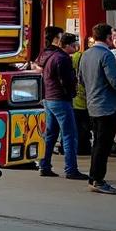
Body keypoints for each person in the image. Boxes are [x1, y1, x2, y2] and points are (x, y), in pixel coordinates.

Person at [78, 22, 116, 194]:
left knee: (98, 143)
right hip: (107, 105)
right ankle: (98, 179)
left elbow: (81, 79)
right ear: (108, 37)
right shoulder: (106, 55)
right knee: (104, 145)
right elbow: (115, 79)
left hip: (93, 103)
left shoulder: (86, 54)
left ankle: (94, 177)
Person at [36, 27, 85, 180]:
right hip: (61, 99)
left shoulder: (46, 55)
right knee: (70, 134)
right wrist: (71, 93)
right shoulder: (62, 58)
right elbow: (67, 81)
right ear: (56, 39)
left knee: (50, 134)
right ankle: (71, 169)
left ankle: (44, 165)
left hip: (49, 98)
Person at [70, 39, 93, 155]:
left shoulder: (72, 58)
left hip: (75, 100)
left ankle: (79, 147)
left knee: (77, 126)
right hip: (85, 99)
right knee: (84, 125)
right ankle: (84, 147)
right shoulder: (84, 57)